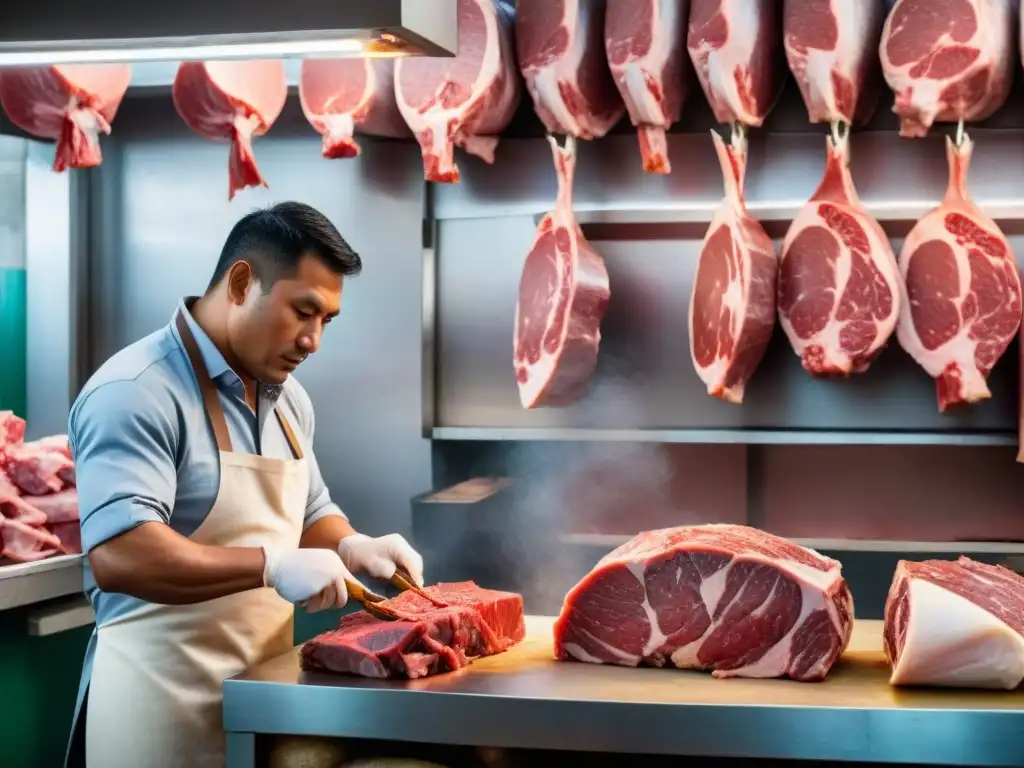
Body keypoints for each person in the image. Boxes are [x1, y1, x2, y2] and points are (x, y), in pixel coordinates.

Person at [64, 202, 424, 768]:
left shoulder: (289, 400)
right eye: (303, 311)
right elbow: (120, 555)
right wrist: (270, 567)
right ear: (240, 282)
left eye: (327, 320)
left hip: (258, 711)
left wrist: (353, 544)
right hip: (156, 718)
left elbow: (310, 512)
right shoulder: (135, 391)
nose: (313, 341)